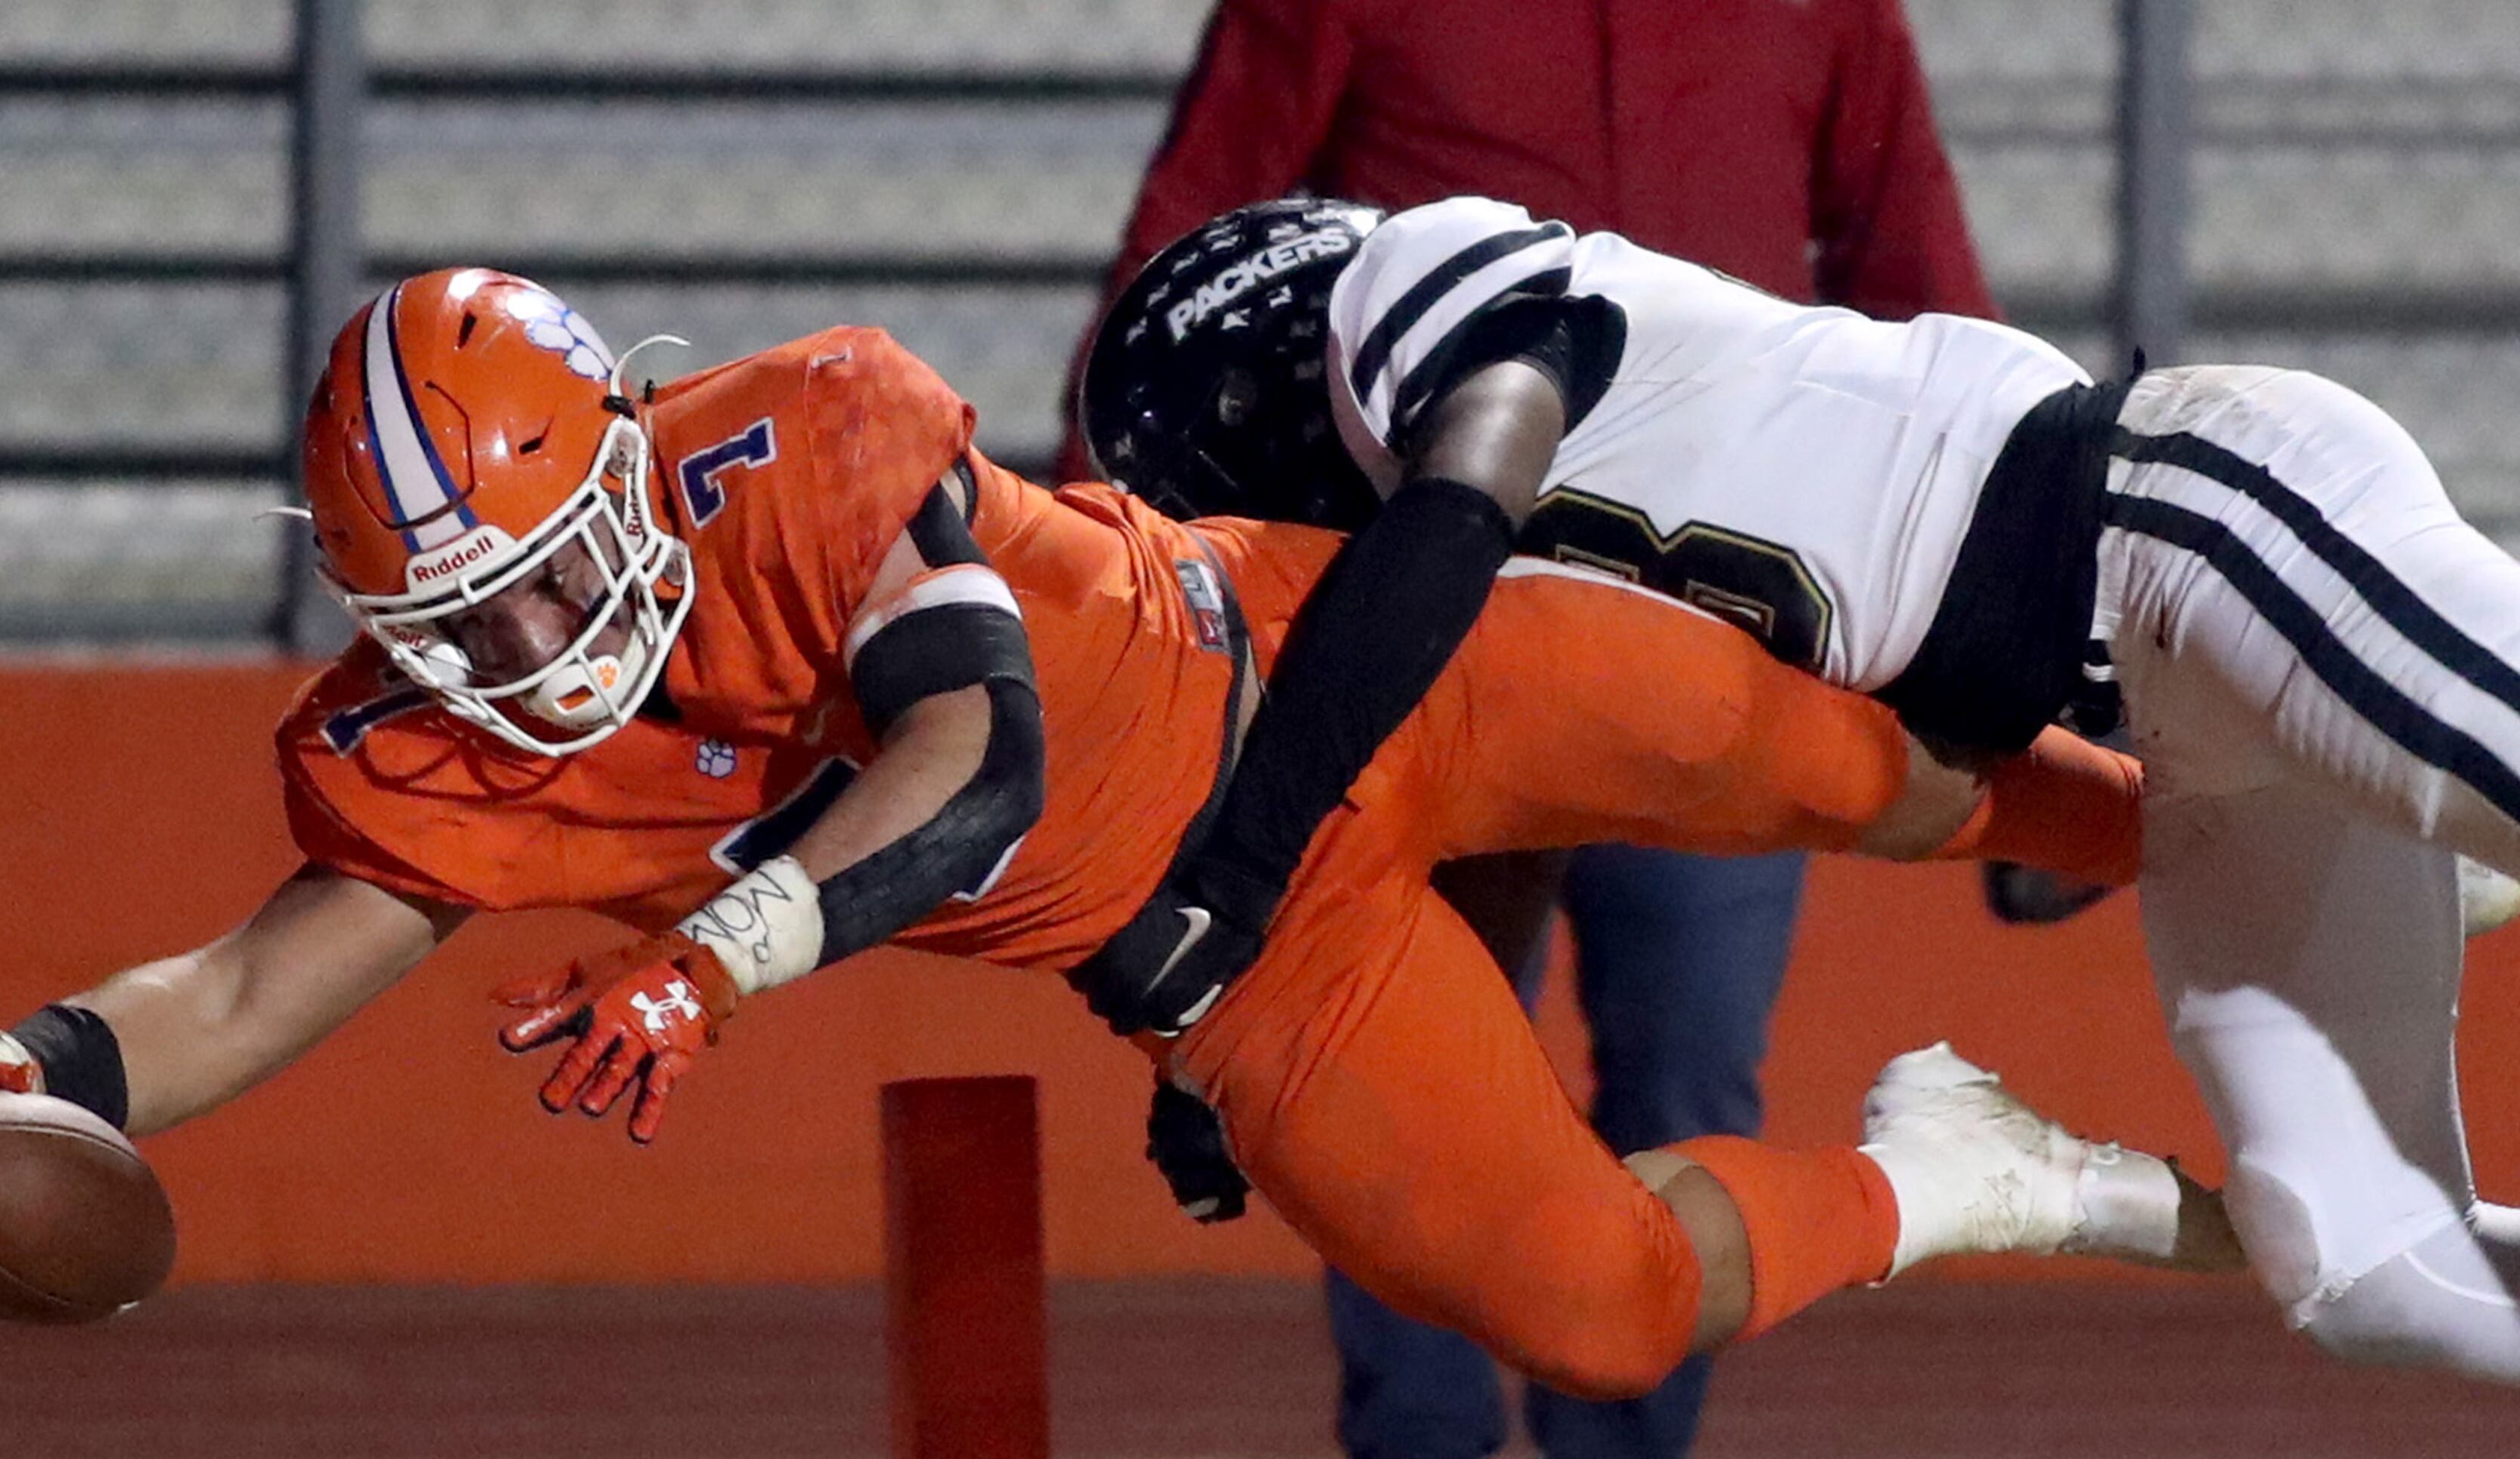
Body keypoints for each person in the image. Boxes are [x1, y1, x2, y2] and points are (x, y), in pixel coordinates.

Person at [0, 272, 2187, 1434]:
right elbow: (246, 992)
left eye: (545, 573)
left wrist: (709, 962)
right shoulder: (435, 751)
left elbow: (972, 751)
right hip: (1236, 953)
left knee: (1862, 770)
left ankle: (2307, 836)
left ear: (631, 455)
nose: (520, 647)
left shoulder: (815, 436)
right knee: (1598, 1311)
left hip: (1335, 666)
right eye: (453, 620)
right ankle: (1974, 1178)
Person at [1080, 191, 2520, 1390]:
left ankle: (2440, 842)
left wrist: (1239, 866)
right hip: (2170, 721)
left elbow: (1458, 501)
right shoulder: (1506, 578)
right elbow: (1492, 844)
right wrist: (1239, 1045)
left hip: (2188, 521)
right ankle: (2424, 859)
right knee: (2366, 1268)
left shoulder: (1422, 290)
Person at [1060, 0, 2007, 1459]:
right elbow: (1198, 250)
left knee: (1694, 1048)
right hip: (1423, 621)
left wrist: (1984, 645)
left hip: (1721, 610)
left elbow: (1912, 276)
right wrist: (1114, 576)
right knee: (1388, 1036)